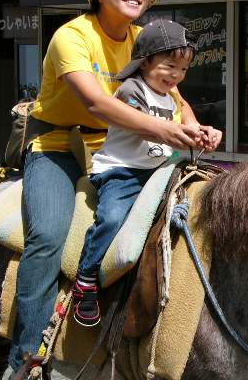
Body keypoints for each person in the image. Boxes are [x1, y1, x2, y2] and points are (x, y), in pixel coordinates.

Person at [8, 0, 222, 373]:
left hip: (132, 150)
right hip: (59, 147)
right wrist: (163, 131)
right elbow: (96, 105)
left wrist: (196, 128)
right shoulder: (72, 35)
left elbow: (176, 100)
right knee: (47, 237)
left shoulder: (145, 39)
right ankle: (27, 356)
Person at [72, 19, 220, 327]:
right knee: (112, 218)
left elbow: (185, 124)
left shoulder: (172, 96)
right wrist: (179, 133)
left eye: (182, 70)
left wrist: (204, 132)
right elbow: (147, 129)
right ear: (144, 62)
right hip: (123, 172)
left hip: (159, 169)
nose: (176, 76)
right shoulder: (131, 89)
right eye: (169, 67)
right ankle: (86, 279)